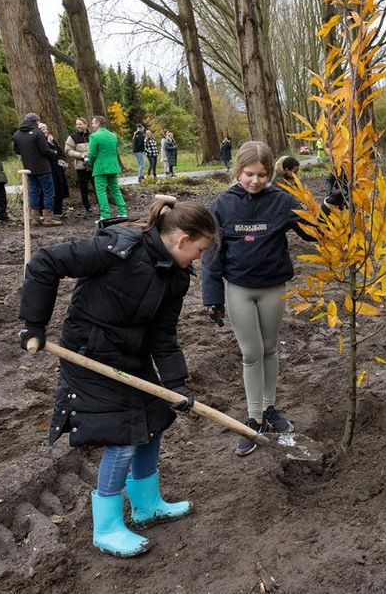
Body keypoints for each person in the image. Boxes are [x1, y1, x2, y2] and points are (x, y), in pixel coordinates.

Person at [18, 197, 218, 558]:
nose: (198, 260)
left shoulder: (175, 276)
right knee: (123, 435)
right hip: (87, 354)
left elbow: (164, 335)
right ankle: (107, 527)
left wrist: (175, 384)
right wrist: (34, 324)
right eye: (199, 251)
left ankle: (146, 505)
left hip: (131, 354)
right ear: (183, 240)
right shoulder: (118, 248)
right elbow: (45, 263)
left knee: (153, 422)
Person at [201, 141, 316, 457]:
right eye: (249, 174)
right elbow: (212, 253)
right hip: (239, 288)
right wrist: (212, 298)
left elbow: (312, 231)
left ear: (270, 174)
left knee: (268, 349)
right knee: (251, 353)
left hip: (273, 287)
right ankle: (253, 418)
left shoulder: (281, 201)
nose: (255, 181)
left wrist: (326, 209)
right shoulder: (223, 205)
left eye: (262, 175)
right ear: (238, 171)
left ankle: (270, 409)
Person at [12, 112, 60, 227]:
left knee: (33, 192)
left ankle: (35, 218)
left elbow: (17, 151)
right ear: (35, 121)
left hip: (28, 167)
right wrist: (53, 153)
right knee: (48, 191)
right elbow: (44, 150)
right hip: (43, 167)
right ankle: (48, 218)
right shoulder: (38, 133)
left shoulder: (17, 134)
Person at [87, 115, 128, 220]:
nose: (92, 125)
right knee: (115, 189)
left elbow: (91, 154)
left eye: (93, 123)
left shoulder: (94, 136)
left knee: (101, 191)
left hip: (100, 167)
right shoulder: (113, 136)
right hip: (113, 166)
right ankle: (123, 212)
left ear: (98, 123)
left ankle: (105, 215)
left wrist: (89, 162)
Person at [39, 122, 70, 219]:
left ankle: (58, 211)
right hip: (47, 169)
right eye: (43, 129)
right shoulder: (39, 142)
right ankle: (46, 213)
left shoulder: (52, 140)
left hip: (57, 169)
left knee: (59, 189)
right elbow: (48, 153)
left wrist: (52, 143)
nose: (46, 131)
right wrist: (49, 144)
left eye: (46, 129)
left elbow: (59, 152)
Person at [65, 118, 93, 216]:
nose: (78, 126)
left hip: (94, 166)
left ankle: (103, 206)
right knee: (84, 188)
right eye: (77, 124)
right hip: (81, 166)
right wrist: (80, 155)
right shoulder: (72, 137)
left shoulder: (92, 136)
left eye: (80, 124)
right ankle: (87, 207)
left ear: (86, 124)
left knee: (98, 187)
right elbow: (68, 150)